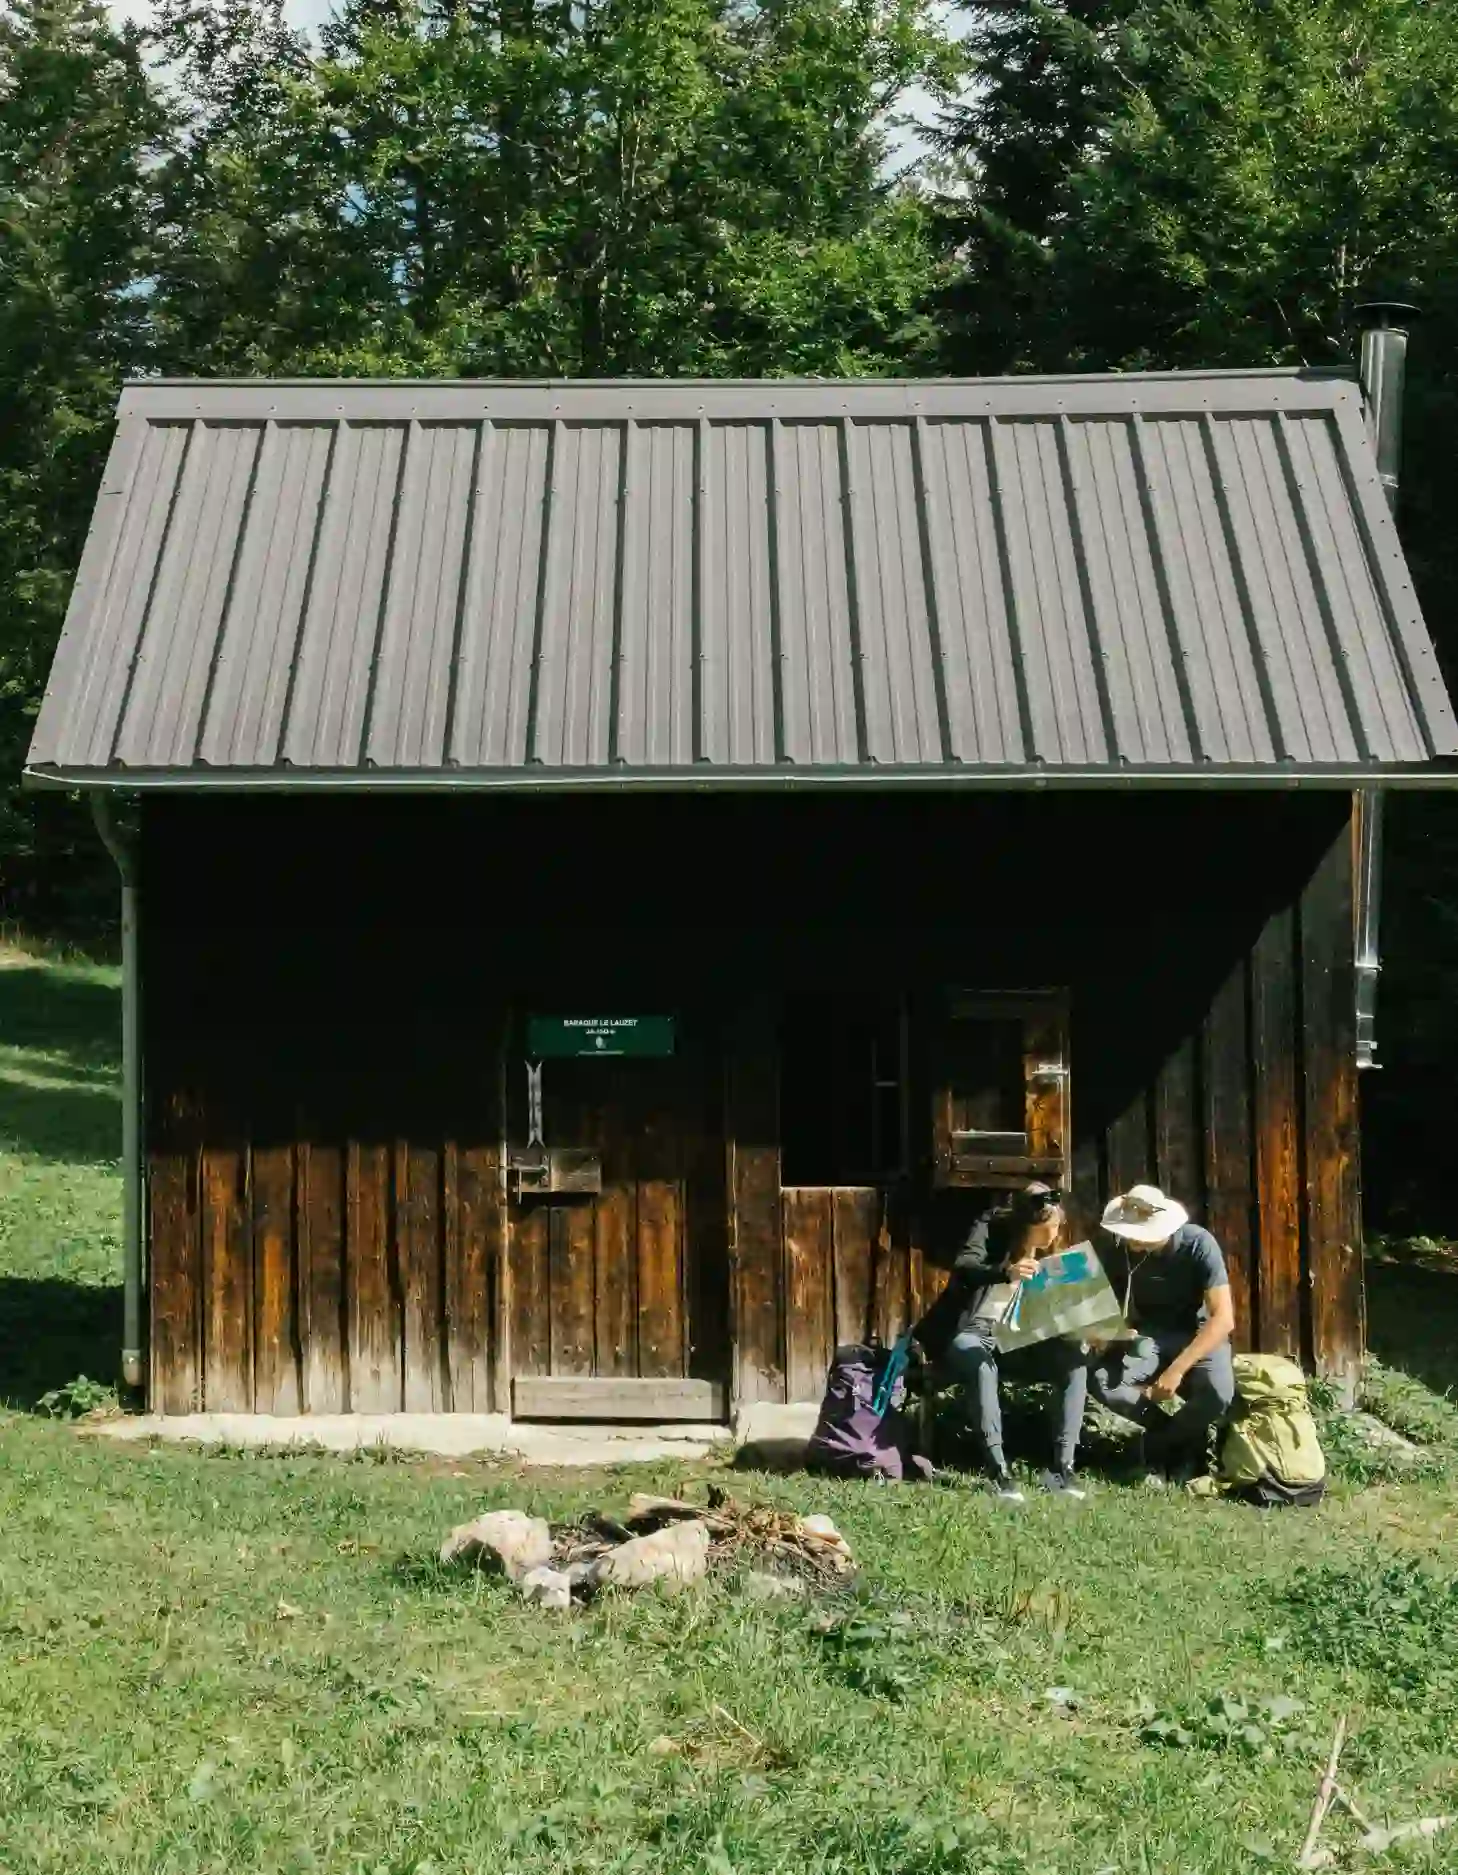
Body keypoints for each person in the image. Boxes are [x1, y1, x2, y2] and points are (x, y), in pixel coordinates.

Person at [915, 1182, 1090, 1502]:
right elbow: (965, 1267)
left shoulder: (1052, 1251)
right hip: (970, 1331)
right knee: (982, 1366)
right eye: (1047, 1229)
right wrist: (1006, 1272)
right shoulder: (991, 1227)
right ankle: (998, 1471)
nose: (1053, 1235)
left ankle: (1062, 1468)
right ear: (1027, 1226)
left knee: (1074, 1363)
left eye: (1055, 1228)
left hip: (1017, 1336)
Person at [1088, 1184, 1237, 1484]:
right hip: (1148, 1335)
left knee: (1218, 1393)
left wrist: (1176, 1371)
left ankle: (1159, 1446)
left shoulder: (1198, 1244)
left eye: (1138, 1233)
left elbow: (1223, 1319)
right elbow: (1100, 1300)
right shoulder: (1118, 1249)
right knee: (1102, 1381)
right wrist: (1106, 1331)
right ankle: (1182, 1441)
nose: (1131, 1239)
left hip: (1197, 1333)